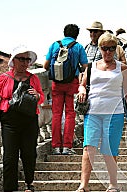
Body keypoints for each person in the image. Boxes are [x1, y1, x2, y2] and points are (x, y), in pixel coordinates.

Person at [75, 32, 127, 192]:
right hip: (93, 112)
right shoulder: (92, 67)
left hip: (114, 113)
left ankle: (113, 183)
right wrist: (81, 89)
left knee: (110, 149)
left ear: (115, 49)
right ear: (100, 49)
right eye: (104, 48)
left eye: (111, 48)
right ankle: (83, 185)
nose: (108, 52)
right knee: (89, 147)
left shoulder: (122, 68)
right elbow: (82, 84)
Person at [0, 45, 44, 192]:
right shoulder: (4, 78)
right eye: (22, 59)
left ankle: (29, 182)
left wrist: (38, 95)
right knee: (9, 156)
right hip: (10, 120)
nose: (25, 63)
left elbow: (41, 98)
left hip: (29, 119)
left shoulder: (34, 78)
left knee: (29, 152)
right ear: (14, 61)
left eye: (27, 59)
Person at [44, 24, 88, 155]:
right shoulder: (78, 47)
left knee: (56, 114)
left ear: (64, 33)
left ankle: (56, 146)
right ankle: (67, 146)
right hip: (71, 84)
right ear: (76, 35)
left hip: (56, 84)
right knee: (70, 114)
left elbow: (46, 65)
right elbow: (85, 66)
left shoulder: (54, 45)